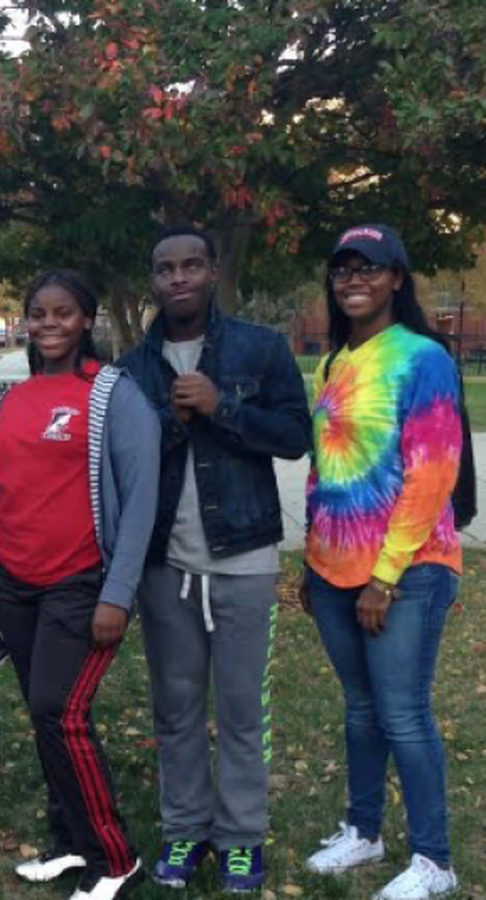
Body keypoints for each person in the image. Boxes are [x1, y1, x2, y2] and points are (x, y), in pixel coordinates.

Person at [117, 224, 310, 893]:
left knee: (240, 710)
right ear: (153, 280)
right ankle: (185, 828)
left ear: (212, 271)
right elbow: (123, 461)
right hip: (165, 564)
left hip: (244, 556)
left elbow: (294, 436)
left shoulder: (261, 347)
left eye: (191, 265)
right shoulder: (131, 369)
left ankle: (240, 837)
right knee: (174, 709)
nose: (178, 278)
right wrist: (174, 419)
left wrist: (221, 405)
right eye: (165, 268)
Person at [0, 270, 159, 900]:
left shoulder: (112, 394)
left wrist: (117, 594)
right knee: (47, 716)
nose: (49, 324)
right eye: (38, 313)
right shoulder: (13, 401)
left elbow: (141, 502)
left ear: (86, 320)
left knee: (61, 710)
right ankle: (71, 839)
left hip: (80, 585)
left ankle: (115, 859)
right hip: (14, 585)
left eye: (63, 313)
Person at [301, 225, 462, 900]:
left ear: (397, 278)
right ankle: (364, 831)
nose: (354, 279)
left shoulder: (423, 358)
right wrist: (312, 558)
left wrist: (384, 578)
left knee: (403, 714)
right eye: (343, 269)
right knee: (361, 708)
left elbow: (433, 474)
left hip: (407, 571)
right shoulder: (334, 362)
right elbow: (325, 468)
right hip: (333, 570)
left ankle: (434, 862)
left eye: (369, 267)